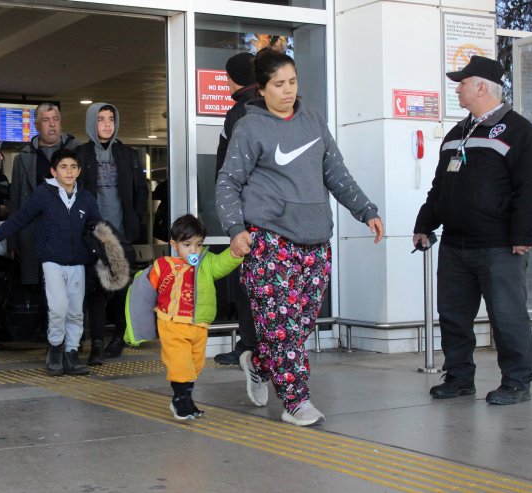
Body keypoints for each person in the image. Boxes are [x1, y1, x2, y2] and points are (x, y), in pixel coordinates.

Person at [215, 48, 384, 427]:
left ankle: (258, 363)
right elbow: (227, 182)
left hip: (314, 240)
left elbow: (336, 173)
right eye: (279, 84)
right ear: (262, 88)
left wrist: (367, 211)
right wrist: (236, 229)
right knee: (281, 328)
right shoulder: (250, 127)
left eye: (292, 81)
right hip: (269, 241)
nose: (288, 90)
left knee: (299, 325)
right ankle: (296, 401)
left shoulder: (312, 120)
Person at [413, 55, 532, 405]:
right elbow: (439, 187)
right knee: (454, 316)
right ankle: (459, 378)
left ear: (481, 87)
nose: (457, 88)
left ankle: (517, 381)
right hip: (456, 246)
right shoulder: (457, 133)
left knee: (507, 317)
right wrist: (425, 224)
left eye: (462, 82)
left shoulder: (521, 132)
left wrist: (523, 236)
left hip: (499, 246)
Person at [0, 149, 100, 376]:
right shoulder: (43, 194)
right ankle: (55, 349)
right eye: (63, 167)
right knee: (58, 309)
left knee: (76, 311)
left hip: (78, 263)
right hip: (52, 261)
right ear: (53, 171)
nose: (69, 171)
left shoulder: (86, 197)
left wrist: (111, 251)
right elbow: (21, 217)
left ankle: (71, 354)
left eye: (73, 167)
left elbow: (98, 227)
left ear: (79, 170)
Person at [126, 214, 243, 420]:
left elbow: (222, 264)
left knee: (195, 364)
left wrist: (235, 252)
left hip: (199, 324)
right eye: (187, 244)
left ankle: (185, 398)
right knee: (180, 363)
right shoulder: (163, 265)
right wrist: (141, 322)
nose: (193, 250)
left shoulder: (206, 264)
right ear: (174, 244)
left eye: (198, 244)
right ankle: (180, 399)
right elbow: (143, 291)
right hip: (172, 323)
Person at [77, 102, 148, 364]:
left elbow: (141, 189)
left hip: (122, 232)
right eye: (101, 119)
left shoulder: (128, 154)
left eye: (111, 119)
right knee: (96, 289)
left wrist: (136, 217)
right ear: (91, 123)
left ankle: (119, 335)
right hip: (93, 233)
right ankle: (96, 343)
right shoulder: (81, 153)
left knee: (120, 288)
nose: (107, 124)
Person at [213, 52, 259, 366]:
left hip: (249, 215)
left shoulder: (239, 112)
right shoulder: (270, 108)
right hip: (272, 214)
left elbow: (229, 169)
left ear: (234, 78)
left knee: (248, 283)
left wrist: (233, 218)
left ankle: (248, 346)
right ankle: (264, 344)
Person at [8, 103, 80, 286]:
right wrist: (12, 242)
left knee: (67, 293)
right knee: (35, 291)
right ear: (37, 125)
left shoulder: (77, 153)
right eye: (46, 120)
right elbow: (15, 202)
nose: (52, 125)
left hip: (67, 234)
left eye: (56, 119)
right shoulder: (23, 158)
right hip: (32, 235)